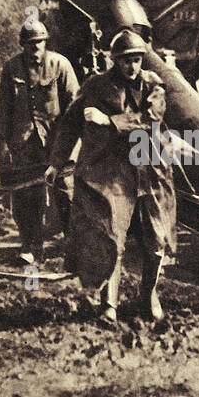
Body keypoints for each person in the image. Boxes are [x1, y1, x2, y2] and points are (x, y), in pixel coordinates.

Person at [47, 29, 176, 323]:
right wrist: (57, 162)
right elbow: (70, 123)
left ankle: (149, 293)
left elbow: (150, 119)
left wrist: (109, 121)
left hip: (149, 167)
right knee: (111, 238)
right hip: (113, 173)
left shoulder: (153, 85)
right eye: (126, 60)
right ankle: (109, 304)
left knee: (156, 239)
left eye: (137, 60)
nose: (133, 66)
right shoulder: (95, 86)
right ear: (115, 60)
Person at [0, 15, 79, 264]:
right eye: (30, 44)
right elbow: (3, 110)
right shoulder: (11, 69)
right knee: (25, 196)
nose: (35, 49)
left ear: (46, 43)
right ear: (22, 45)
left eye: (40, 43)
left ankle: (72, 247)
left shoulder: (60, 65)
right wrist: (2, 143)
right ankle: (31, 247)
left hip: (57, 142)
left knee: (65, 193)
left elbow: (74, 105)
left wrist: (72, 146)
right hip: (24, 143)